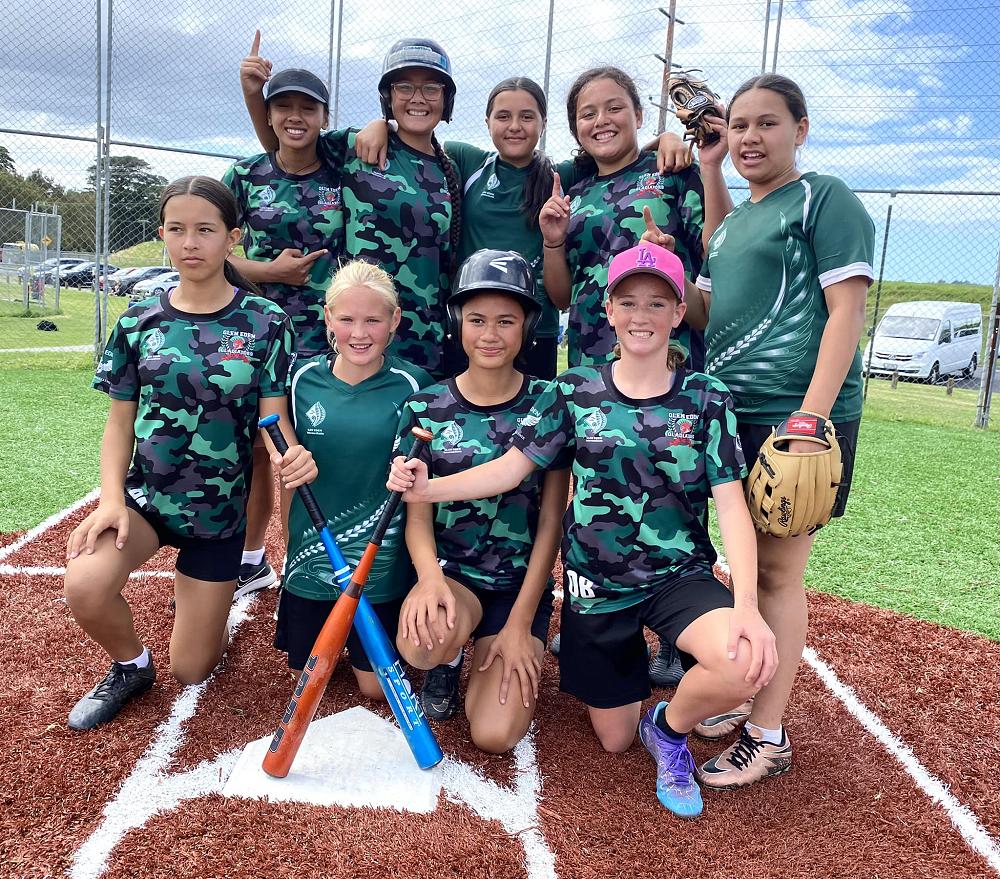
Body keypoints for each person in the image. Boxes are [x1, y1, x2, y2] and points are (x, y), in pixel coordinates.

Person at [388, 242, 778, 817]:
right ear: (609, 312)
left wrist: (746, 604)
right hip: (595, 586)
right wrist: (429, 489)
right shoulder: (573, 391)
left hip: (678, 575)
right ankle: (628, 702)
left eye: (657, 303)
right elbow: (511, 468)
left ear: (677, 314)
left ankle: (668, 730)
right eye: (628, 302)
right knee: (614, 738)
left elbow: (732, 507)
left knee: (743, 660)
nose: (641, 315)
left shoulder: (706, 397)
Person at [662, 73, 875, 789]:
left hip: (796, 416)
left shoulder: (824, 198)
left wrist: (812, 418)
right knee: (744, 566)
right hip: (733, 412)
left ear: (801, 129)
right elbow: (707, 308)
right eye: (740, 124)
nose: (751, 137)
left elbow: (847, 313)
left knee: (779, 575)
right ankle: (754, 699)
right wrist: (704, 175)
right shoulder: (734, 219)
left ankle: (768, 732)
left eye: (767, 124)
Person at [63, 176, 316, 731]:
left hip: (218, 516)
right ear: (162, 236)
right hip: (148, 500)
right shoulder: (138, 321)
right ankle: (130, 665)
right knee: (83, 584)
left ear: (233, 239)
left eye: (205, 230)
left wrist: (290, 455)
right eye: (177, 230)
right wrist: (110, 501)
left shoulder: (267, 323)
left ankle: (202, 603)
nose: (190, 243)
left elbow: (273, 418)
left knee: (193, 668)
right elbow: (119, 424)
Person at [354, 76, 692, 379]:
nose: (515, 126)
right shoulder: (466, 161)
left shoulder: (562, 176)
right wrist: (382, 124)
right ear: (487, 122)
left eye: (527, 116)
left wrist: (666, 139)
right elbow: (417, 140)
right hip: (471, 327)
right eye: (503, 116)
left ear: (543, 123)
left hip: (535, 329)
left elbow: (617, 155)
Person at [393, 249, 570, 754]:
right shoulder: (425, 404)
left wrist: (520, 622)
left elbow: (551, 522)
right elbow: (417, 514)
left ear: (529, 326)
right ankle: (447, 661)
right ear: (457, 322)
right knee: (423, 644)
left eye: (506, 321)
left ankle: (495, 643)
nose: (490, 334)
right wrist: (429, 580)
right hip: (454, 576)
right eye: (477, 320)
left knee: (494, 735)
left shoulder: (549, 401)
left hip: (517, 585)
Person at [241, 34, 462, 380]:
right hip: (356, 336)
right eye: (404, 87)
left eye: (431, 88)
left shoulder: (452, 168)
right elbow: (285, 143)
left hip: (422, 339)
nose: (417, 98)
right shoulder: (353, 147)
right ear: (388, 97)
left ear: (446, 99)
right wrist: (253, 93)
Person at [274, 260, 433, 698]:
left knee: (374, 690)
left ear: (394, 320)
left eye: (373, 320)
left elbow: (414, 483)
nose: (359, 333)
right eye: (346, 319)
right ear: (328, 318)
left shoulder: (412, 385)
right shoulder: (302, 380)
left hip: (376, 562)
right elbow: (282, 457)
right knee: (306, 681)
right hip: (311, 555)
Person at [226, 48, 346, 597]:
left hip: (325, 336)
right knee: (258, 448)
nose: (295, 117)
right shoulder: (245, 175)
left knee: (311, 448)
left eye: (308, 107)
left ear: (324, 117)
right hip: (256, 330)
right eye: (283, 107)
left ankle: (314, 558)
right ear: (268, 115)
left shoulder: (342, 173)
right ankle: (253, 557)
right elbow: (208, 249)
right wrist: (271, 271)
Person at [539, 66, 730, 374]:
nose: (602, 120)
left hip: (668, 367)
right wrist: (553, 241)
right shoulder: (575, 196)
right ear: (576, 129)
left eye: (614, 108)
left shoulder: (671, 172)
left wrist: (706, 163)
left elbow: (721, 252)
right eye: (588, 114)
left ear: (639, 116)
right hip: (591, 370)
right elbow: (563, 298)